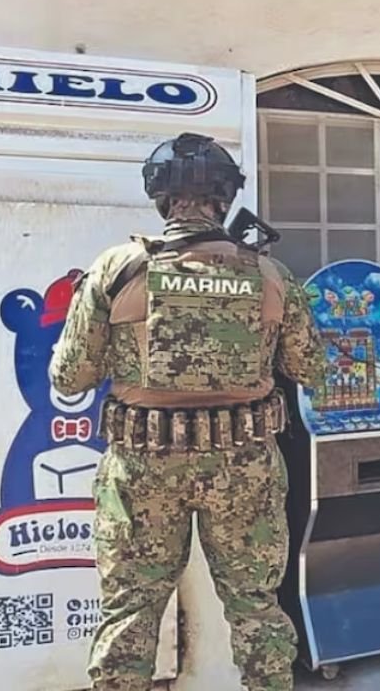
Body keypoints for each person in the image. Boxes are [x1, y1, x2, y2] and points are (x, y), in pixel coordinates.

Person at [49, 133, 326, 691]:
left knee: (130, 612)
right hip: (244, 466)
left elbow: (69, 376)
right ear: (224, 198)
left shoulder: (118, 268)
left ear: (160, 197)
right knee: (256, 608)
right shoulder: (270, 275)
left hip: (143, 467)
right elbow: (311, 368)